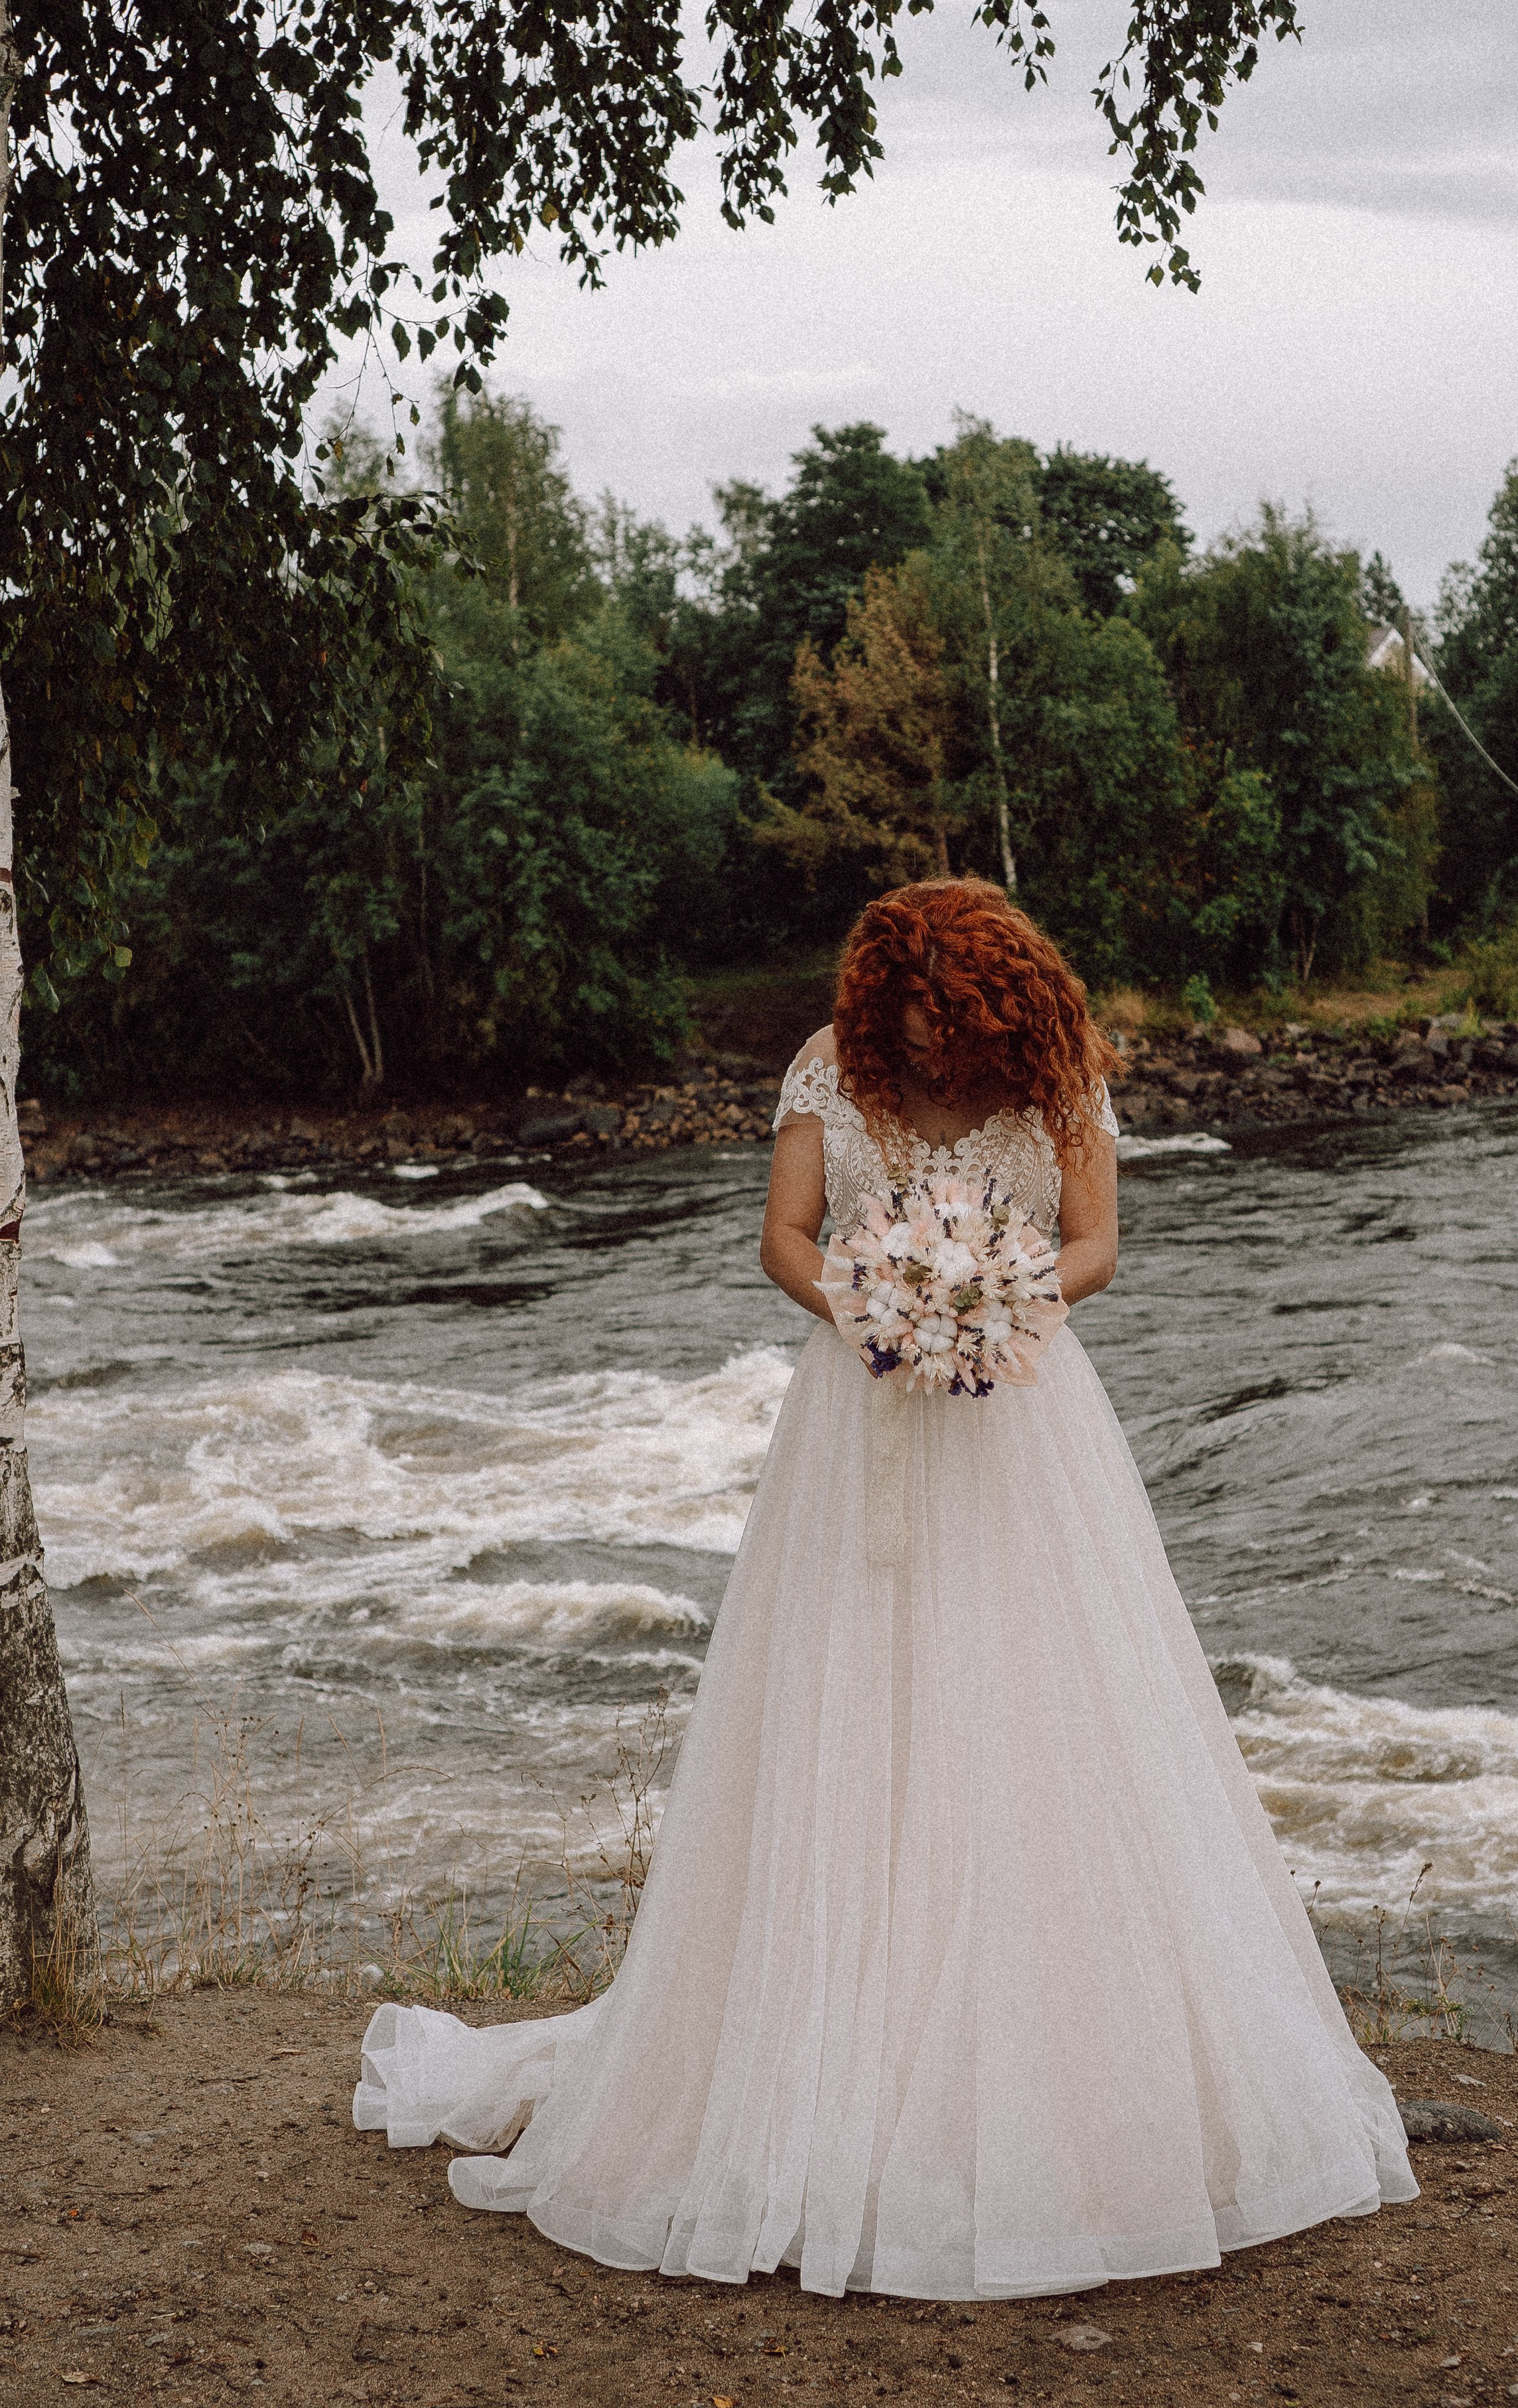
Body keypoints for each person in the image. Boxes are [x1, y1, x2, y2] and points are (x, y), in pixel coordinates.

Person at [353, 878, 1415, 2298]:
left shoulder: (1055, 1077)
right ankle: (828, 2050)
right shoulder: (826, 1067)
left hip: (1021, 1418)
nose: (926, 1054)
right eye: (907, 1026)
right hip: (855, 1419)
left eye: (948, 1028)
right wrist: (876, 1309)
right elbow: (782, 1237)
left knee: (1037, 1705)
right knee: (849, 1701)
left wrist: (993, 1304)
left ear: (1000, 1009)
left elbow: (1096, 1242)